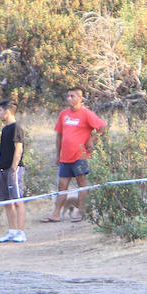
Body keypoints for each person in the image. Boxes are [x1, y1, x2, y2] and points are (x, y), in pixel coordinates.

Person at [47, 87, 106, 223]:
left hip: (80, 155)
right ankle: (56, 213)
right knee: (62, 185)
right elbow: (59, 135)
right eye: (68, 96)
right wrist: (58, 155)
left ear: (80, 98)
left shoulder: (86, 114)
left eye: (72, 96)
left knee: (82, 183)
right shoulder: (63, 114)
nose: (69, 99)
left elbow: (102, 127)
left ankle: (81, 211)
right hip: (65, 157)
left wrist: (92, 139)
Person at [0, 100, 28, 242]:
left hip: (13, 170)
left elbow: (18, 149)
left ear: (7, 111)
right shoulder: (4, 129)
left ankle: (21, 232)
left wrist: (13, 169)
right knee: (7, 201)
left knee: (17, 200)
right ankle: (12, 230)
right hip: (2, 169)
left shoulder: (16, 128)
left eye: (0, 110)